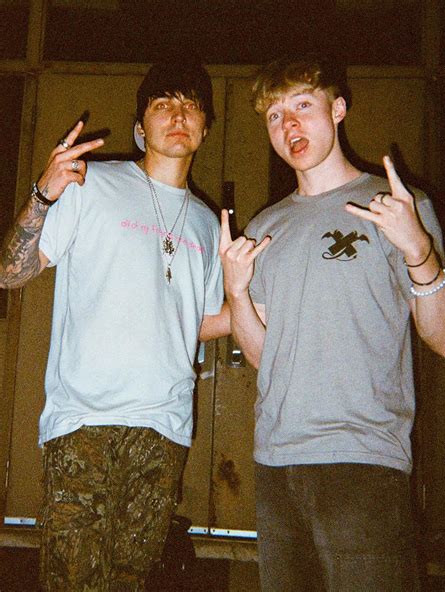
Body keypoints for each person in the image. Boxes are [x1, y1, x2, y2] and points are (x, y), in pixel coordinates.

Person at [219, 54, 445, 592]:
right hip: (275, 462)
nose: (289, 124)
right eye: (275, 115)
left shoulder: (396, 207)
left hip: (363, 460)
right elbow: (264, 357)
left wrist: (418, 250)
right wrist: (237, 294)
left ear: (337, 109)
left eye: (302, 106)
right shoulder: (267, 226)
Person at [0, 55, 230, 591]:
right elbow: (11, 273)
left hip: (165, 428)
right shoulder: (91, 185)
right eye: (163, 104)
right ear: (140, 126)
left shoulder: (206, 222)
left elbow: (199, 323)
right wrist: (42, 194)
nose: (178, 114)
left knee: (131, 582)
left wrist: (255, 297)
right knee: (73, 581)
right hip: (84, 420)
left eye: (191, 105)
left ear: (204, 129)